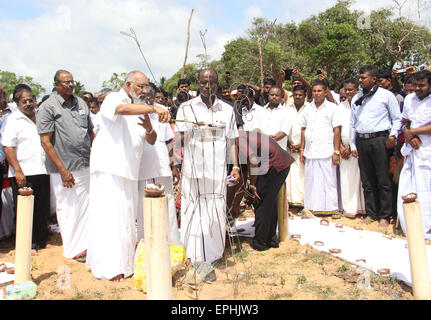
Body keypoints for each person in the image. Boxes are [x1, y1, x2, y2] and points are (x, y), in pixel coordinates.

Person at [85, 71, 170, 281]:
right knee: (109, 218)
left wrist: (150, 127)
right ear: (129, 84)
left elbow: (151, 140)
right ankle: (109, 267)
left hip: (129, 171)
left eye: (146, 87)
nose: (144, 90)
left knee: (125, 219)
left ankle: (123, 263)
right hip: (109, 168)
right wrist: (153, 107)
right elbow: (120, 110)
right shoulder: (116, 97)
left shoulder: (141, 109)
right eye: (140, 86)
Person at [175, 68, 240, 264]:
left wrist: (235, 166)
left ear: (217, 84)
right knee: (191, 210)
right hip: (193, 171)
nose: (207, 87)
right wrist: (192, 128)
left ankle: (213, 254)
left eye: (211, 82)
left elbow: (232, 141)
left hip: (216, 171)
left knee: (215, 212)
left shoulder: (227, 110)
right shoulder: (186, 108)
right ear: (198, 83)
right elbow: (178, 140)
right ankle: (192, 253)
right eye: (203, 82)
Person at [36, 69, 95, 262]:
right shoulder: (48, 107)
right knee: (68, 209)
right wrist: (62, 170)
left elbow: (90, 133)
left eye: (72, 82)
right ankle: (73, 249)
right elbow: (45, 141)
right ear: (55, 84)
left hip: (85, 164)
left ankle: (86, 245)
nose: (70, 85)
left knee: (86, 207)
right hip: (64, 168)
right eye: (65, 82)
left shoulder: (81, 103)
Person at [350, 65, 402, 230]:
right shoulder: (357, 97)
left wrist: (392, 135)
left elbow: (397, 119)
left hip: (380, 140)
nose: (360, 80)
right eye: (359, 77)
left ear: (373, 79)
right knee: (367, 179)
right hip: (362, 140)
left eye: (363, 77)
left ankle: (385, 216)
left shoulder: (386, 96)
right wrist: (352, 144)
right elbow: (352, 123)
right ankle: (371, 213)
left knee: (383, 179)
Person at [1, 85, 50, 250]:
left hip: (42, 169)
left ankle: (41, 240)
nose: (29, 103)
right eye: (24, 101)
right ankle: (25, 245)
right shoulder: (13, 120)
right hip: (23, 172)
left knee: (41, 208)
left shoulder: (40, 117)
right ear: (17, 102)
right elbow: (8, 147)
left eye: (31, 100)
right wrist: (18, 171)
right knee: (24, 210)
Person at [237, 131, 294, 251]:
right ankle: (271, 239)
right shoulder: (243, 136)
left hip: (274, 164)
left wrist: (252, 186)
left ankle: (260, 243)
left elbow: (253, 162)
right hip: (281, 163)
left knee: (261, 202)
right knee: (270, 203)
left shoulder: (238, 139)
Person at [299, 80, 342, 215]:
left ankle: (331, 208)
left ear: (325, 92)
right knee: (311, 181)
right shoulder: (308, 109)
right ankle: (311, 207)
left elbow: (336, 130)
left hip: (326, 151)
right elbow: (303, 130)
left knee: (328, 181)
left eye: (319, 91)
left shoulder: (333, 108)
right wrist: (301, 149)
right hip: (310, 151)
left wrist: (336, 151)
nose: (316, 94)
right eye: (314, 91)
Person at [397, 70, 431, 239]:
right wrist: (409, 135)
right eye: (416, 85)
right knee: (409, 187)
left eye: (422, 85)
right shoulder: (410, 99)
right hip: (413, 151)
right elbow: (405, 122)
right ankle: (411, 227)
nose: (418, 88)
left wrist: (413, 132)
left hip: (428, 151)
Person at [338, 79, 365, 218]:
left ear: (357, 90)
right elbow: (336, 129)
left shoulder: (361, 104)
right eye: (346, 89)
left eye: (351, 90)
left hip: (357, 148)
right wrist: (341, 147)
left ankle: (361, 208)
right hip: (343, 150)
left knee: (360, 178)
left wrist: (351, 146)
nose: (348, 92)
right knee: (346, 178)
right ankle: (348, 208)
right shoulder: (340, 107)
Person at [285, 85, 310, 208]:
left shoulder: (310, 108)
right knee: (291, 176)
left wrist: (301, 146)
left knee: (303, 175)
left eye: (300, 95)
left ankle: (303, 202)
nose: (298, 97)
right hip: (289, 147)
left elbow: (310, 129)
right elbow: (284, 127)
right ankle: (291, 201)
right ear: (292, 95)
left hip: (305, 148)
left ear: (305, 95)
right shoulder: (287, 108)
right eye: (296, 95)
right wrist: (289, 144)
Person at [255, 86, 294, 151]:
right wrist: (265, 138)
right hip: (262, 150)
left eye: (277, 95)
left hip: (279, 150)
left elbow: (284, 132)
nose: (274, 97)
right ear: (268, 95)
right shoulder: (260, 111)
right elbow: (256, 128)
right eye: (272, 95)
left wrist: (270, 139)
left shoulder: (287, 112)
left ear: (281, 97)